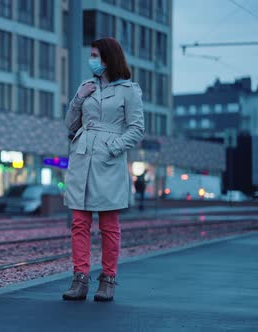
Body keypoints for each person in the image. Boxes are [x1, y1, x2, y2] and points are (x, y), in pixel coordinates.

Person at [62, 37, 145, 302]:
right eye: (91, 56)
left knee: (109, 226)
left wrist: (113, 147)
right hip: (82, 158)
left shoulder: (130, 91)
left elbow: (136, 129)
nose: (92, 60)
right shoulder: (86, 87)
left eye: (96, 55)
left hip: (108, 161)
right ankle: (80, 279)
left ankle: (108, 280)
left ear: (108, 58)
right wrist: (78, 98)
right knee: (78, 223)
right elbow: (70, 124)